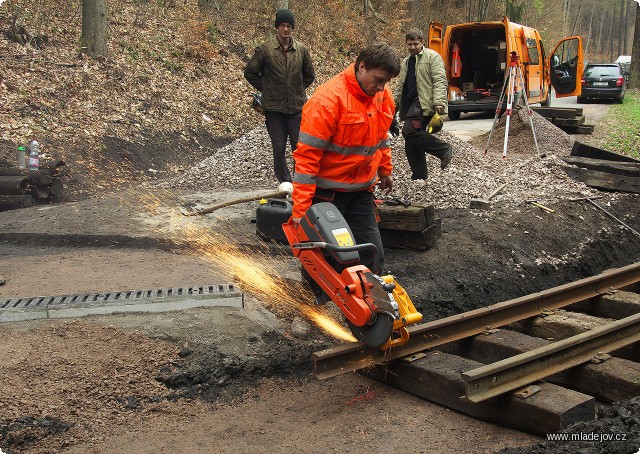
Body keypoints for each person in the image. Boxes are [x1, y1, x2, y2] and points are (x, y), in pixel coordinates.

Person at [292, 43, 400, 274]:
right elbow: (306, 159)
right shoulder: (327, 101)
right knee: (326, 260)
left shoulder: (382, 97)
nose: (381, 88)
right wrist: (301, 210)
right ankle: (312, 303)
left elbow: (381, 137)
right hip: (327, 195)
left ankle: (372, 307)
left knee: (373, 255)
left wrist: (385, 169)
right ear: (362, 67)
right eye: (379, 80)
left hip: (361, 192)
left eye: (386, 83)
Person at [244, 9, 315, 183]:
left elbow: (309, 75)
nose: (285, 29)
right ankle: (285, 183)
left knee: (299, 147)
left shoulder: (302, 50)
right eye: (282, 25)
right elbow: (250, 73)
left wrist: (297, 89)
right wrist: (267, 89)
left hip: (297, 108)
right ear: (277, 27)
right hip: (274, 109)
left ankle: (300, 182)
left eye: (289, 26)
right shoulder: (265, 50)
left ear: (292, 28)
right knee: (278, 147)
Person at [393, 29, 453, 181]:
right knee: (411, 143)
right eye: (409, 44)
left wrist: (439, 102)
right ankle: (419, 177)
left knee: (410, 131)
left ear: (422, 43)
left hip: (424, 102)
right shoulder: (406, 62)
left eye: (416, 44)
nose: (412, 47)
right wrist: (394, 104)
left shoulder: (432, 57)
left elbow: (440, 80)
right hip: (410, 104)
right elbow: (401, 85)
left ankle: (444, 149)